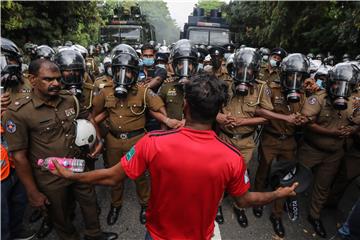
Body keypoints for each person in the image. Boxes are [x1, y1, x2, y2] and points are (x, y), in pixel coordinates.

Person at [50, 73, 298, 240]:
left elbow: (112, 177)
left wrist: (72, 175)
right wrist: (278, 194)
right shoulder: (232, 157)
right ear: (219, 112)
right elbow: (244, 200)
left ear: (187, 107)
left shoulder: (152, 143)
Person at [3, 59, 117, 240]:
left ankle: (94, 234)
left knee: (90, 202)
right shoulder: (18, 113)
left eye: (57, 79)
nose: (55, 83)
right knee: (60, 214)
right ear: (32, 79)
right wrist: (32, 192)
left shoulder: (68, 99)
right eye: (48, 79)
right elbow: (19, 157)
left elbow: (87, 116)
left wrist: (99, 141)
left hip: (78, 166)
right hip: (50, 176)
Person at [91, 44, 180, 226]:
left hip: (137, 140)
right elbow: (94, 116)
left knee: (140, 176)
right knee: (114, 177)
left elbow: (157, 108)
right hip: (113, 140)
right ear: (113, 72)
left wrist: (167, 122)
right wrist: (99, 139)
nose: (124, 75)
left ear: (134, 72)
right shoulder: (106, 91)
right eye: (119, 71)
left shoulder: (142, 91)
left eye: (128, 71)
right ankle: (116, 205)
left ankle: (145, 205)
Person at [298, 62, 360, 238]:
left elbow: (357, 120)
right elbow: (307, 121)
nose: (340, 88)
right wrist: (331, 132)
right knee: (298, 179)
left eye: (345, 85)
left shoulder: (354, 101)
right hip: (312, 149)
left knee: (322, 186)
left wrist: (352, 130)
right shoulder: (318, 98)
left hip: (334, 154)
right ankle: (286, 204)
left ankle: (314, 216)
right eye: (337, 83)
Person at [253, 53, 310, 238]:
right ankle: (259, 201)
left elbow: (311, 112)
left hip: (289, 141)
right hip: (271, 138)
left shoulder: (303, 94)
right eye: (291, 75)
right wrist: (284, 117)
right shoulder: (271, 88)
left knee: (286, 178)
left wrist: (303, 119)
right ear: (283, 74)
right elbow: (260, 110)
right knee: (263, 172)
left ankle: (277, 215)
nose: (295, 80)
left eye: (298, 76)